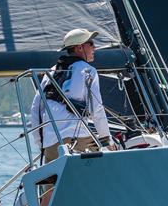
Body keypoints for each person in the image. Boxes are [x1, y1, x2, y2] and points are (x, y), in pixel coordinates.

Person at [30, 28, 117, 165]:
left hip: (51, 142)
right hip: (78, 139)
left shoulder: (51, 72)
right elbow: (97, 108)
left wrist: (41, 143)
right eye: (91, 43)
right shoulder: (88, 70)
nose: (95, 47)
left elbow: (35, 109)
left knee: (52, 183)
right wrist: (107, 138)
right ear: (80, 47)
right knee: (102, 164)